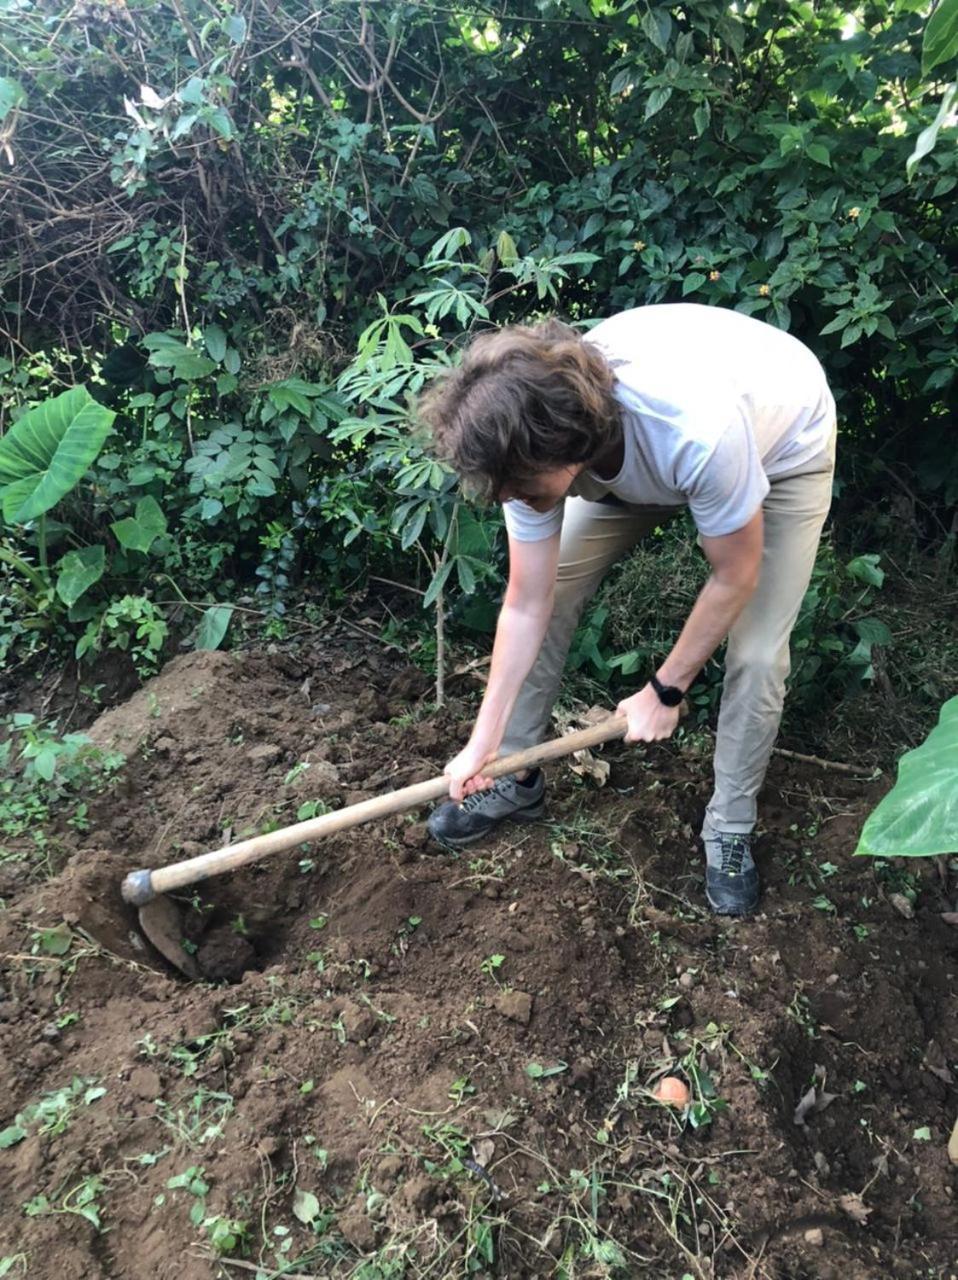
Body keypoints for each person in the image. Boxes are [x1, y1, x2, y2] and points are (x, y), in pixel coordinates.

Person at [416, 303, 837, 916]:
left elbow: (734, 574)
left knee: (757, 651)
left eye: (518, 485)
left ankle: (730, 826)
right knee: (554, 586)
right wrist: (484, 741)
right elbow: (527, 603)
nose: (507, 498)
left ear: (565, 448)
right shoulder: (522, 443)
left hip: (780, 446)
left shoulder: (695, 430)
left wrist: (665, 690)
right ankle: (513, 777)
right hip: (635, 457)